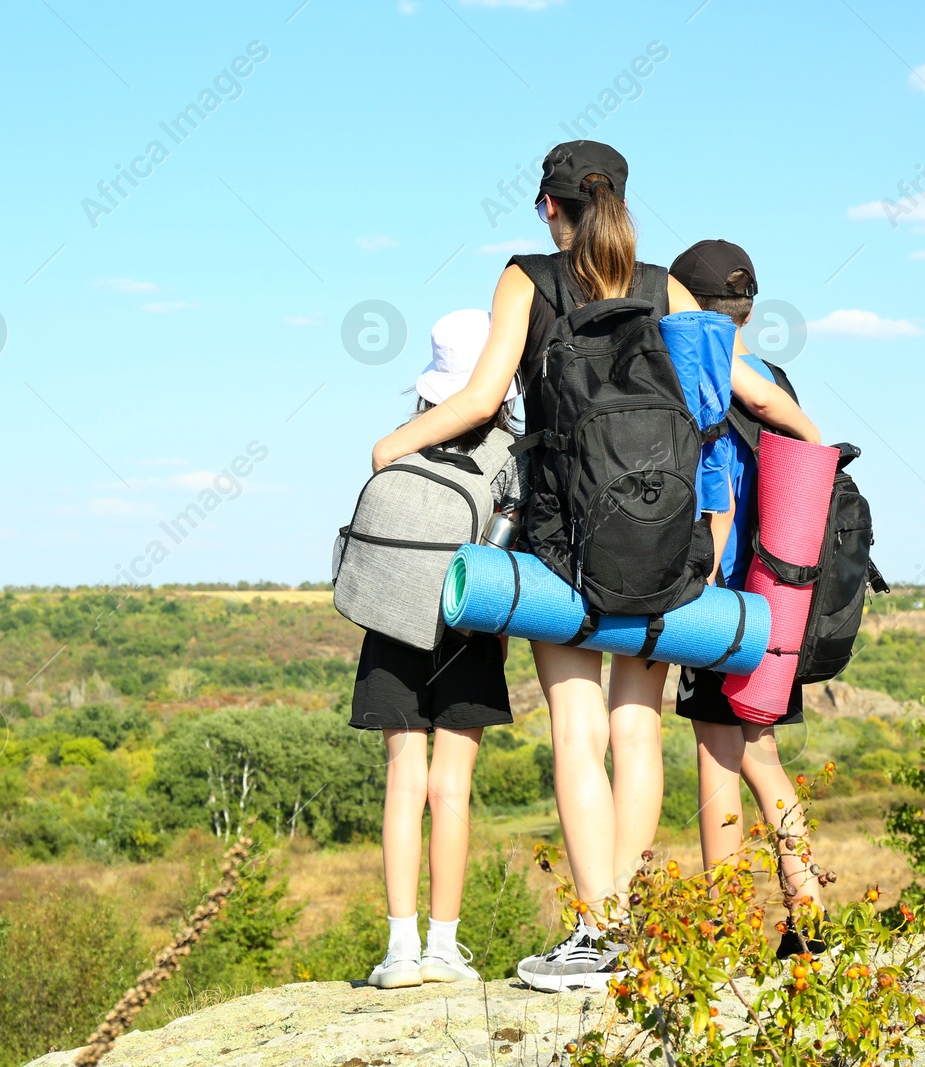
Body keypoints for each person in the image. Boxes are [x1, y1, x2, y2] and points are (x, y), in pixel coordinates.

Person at [372, 142, 813, 993]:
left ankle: (595, 931)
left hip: (566, 541)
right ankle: (629, 927)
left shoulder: (528, 278)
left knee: (576, 728)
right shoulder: (668, 289)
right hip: (667, 545)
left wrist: (395, 445)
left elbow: (478, 397)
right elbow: (730, 402)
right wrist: (809, 443)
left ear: (549, 206)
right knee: (636, 729)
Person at [353, 308, 528, 989]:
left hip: (391, 624)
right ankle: (443, 948)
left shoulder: (397, 445)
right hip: (470, 633)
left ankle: (398, 950)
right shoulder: (514, 455)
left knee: (404, 783)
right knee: (451, 788)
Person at [668, 239, 826, 958]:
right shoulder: (774, 380)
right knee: (761, 754)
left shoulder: (703, 375)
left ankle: (725, 932)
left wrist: (696, 591)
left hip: (724, 600)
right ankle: (808, 904)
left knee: (716, 761)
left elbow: (717, 491)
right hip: (781, 600)